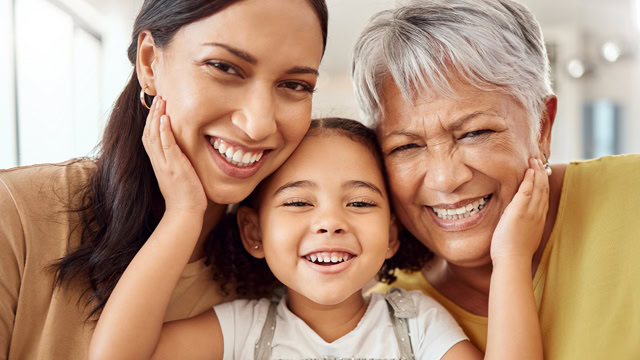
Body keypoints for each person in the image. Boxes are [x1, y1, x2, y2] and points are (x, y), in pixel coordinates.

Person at [0, 0, 328, 358]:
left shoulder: (294, 271)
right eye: (224, 67)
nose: (259, 124)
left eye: (295, 85)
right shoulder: (14, 215)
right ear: (149, 63)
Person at [89, 117, 549, 359]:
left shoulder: (417, 324)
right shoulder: (241, 329)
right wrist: (184, 215)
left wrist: (510, 258)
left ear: (391, 235)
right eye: (298, 203)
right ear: (253, 233)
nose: (330, 222)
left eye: (361, 203)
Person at [351, 0, 640, 358]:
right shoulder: (386, 324)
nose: (445, 178)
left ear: (542, 128)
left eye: (473, 133)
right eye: (406, 146)